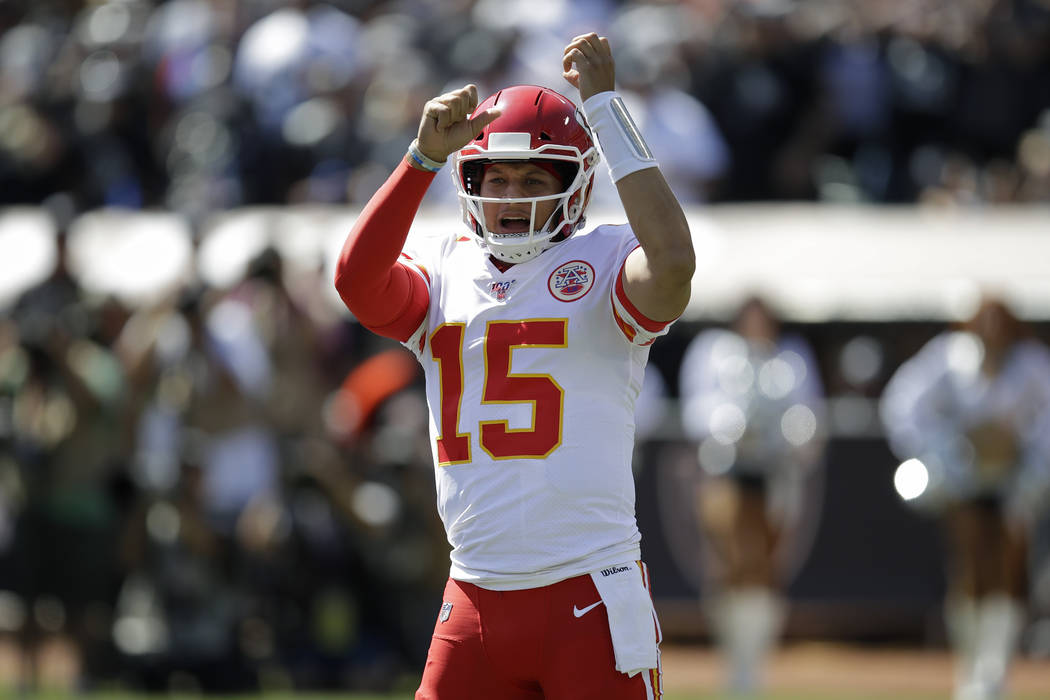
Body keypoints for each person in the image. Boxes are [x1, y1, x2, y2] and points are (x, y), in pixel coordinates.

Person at [334, 32, 694, 700]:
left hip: (588, 588)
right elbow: (356, 281)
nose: (511, 195)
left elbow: (672, 264)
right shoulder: (445, 267)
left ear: (576, 185)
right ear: (470, 182)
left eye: (534, 178)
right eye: (495, 177)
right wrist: (419, 159)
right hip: (473, 590)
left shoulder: (608, 259)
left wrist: (608, 109)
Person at [880, 295, 1050, 700]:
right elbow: (902, 406)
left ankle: (995, 673)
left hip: (1015, 484)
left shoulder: (1031, 364)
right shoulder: (948, 358)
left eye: (999, 320)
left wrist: (1020, 447)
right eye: (984, 319)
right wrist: (953, 448)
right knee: (970, 572)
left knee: (1008, 574)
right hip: (964, 483)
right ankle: (970, 671)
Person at [678, 295, 827, 696]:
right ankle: (735, 663)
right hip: (726, 474)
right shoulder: (713, 352)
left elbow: (807, 417)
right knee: (729, 566)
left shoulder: (792, 359)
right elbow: (697, 408)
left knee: (765, 568)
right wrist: (730, 427)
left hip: (774, 476)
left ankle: (754, 664)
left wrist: (783, 439)